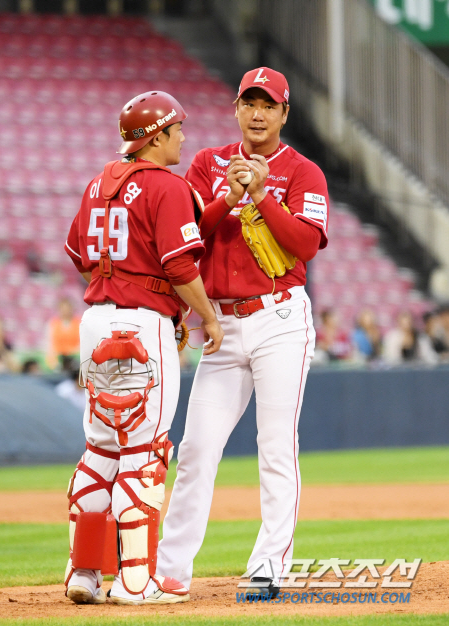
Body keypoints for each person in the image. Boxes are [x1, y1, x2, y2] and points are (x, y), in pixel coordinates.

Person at [157, 68, 329, 600]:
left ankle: (269, 567)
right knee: (196, 449)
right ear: (235, 108)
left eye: (267, 104)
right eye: (248, 102)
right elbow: (187, 237)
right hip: (222, 324)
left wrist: (262, 195)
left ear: (283, 113)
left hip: (279, 318)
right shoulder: (208, 164)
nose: (257, 112)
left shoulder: (303, 172)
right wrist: (226, 199)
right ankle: (171, 571)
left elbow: (303, 245)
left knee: (275, 447)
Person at [63, 91, 223, 606]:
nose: (182, 138)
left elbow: (79, 256)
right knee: (145, 450)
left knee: (101, 447)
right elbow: (179, 266)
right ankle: (136, 580)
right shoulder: (165, 186)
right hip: (142, 324)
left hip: (96, 320)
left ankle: (83, 574)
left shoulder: (97, 183)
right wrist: (205, 315)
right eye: (176, 130)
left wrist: (119, 287)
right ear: (155, 136)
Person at [46, 297, 81, 371]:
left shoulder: (79, 323)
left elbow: (82, 342)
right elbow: (50, 342)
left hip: (75, 355)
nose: (65, 311)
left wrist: (73, 352)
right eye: (63, 308)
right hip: (58, 356)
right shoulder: (53, 323)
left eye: (67, 308)